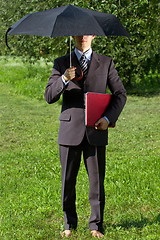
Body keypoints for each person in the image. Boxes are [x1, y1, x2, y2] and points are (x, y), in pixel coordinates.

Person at [44, 35, 127, 238]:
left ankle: (96, 225)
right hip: (69, 130)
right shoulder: (62, 63)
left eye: (87, 33)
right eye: (79, 34)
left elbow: (120, 94)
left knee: (97, 181)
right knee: (67, 180)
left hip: (96, 130)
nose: (83, 38)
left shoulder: (106, 62)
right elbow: (49, 96)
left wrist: (108, 118)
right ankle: (68, 223)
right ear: (73, 36)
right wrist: (64, 78)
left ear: (93, 36)